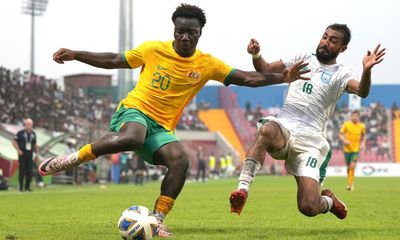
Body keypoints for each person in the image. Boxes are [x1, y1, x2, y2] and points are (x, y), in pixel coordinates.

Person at [38, 3, 308, 237]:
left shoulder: (207, 64)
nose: (185, 37)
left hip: (161, 128)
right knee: (133, 136)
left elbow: (248, 78)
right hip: (134, 111)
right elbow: (113, 60)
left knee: (180, 161)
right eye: (180, 31)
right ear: (174, 31)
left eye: (192, 32)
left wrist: (283, 77)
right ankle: (73, 159)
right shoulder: (153, 49)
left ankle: (156, 221)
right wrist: (76, 54)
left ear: (200, 34)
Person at [230, 24, 385, 220]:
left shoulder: (342, 73)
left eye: (333, 41)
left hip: (310, 140)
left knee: (308, 206)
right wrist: (256, 54)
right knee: (267, 130)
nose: (326, 43)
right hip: (285, 126)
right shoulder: (302, 58)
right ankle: (242, 189)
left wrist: (367, 71)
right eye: (325, 37)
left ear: (342, 48)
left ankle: (329, 201)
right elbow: (265, 69)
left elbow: (362, 91)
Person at [339, 110, 366, 191]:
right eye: (353, 116)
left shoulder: (362, 126)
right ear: (351, 117)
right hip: (347, 149)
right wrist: (344, 140)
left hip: (355, 149)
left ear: (358, 117)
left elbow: (364, 136)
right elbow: (340, 134)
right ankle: (350, 180)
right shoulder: (346, 125)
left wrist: (363, 143)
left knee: (352, 165)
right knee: (348, 167)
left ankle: (350, 184)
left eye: (356, 116)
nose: (355, 117)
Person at [12, 118, 39, 192]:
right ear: (25, 124)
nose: (29, 125)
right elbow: (14, 141)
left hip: (30, 154)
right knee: (22, 170)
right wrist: (18, 150)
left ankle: (27, 187)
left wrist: (37, 154)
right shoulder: (20, 133)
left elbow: (34, 144)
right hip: (22, 153)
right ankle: (20, 187)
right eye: (28, 124)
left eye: (30, 124)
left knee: (29, 171)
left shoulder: (33, 134)